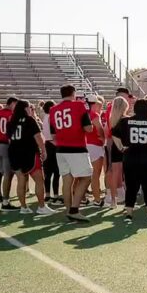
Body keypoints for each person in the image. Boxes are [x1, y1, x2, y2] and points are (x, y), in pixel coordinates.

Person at [111, 98, 147, 223]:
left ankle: (129, 214)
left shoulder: (125, 121)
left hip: (130, 158)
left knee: (131, 187)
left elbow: (114, 134)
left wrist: (121, 147)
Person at [49, 84, 93, 222]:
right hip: (76, 148)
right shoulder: (78, 106)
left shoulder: (53, 109)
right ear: (73, 93)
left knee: (67, 180)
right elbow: (89, 128)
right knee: (86, 178)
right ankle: (74, 209)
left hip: (60, 149)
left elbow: (53, 134)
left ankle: (68, 210)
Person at [7, 99, 56, 215]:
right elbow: (38, 137)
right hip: (29, 153)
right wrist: (43, 150)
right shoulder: (29, 120)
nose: (31, 109)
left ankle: (23, 207)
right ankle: (41, 206)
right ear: (25, 108)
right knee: (39, 180)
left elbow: (9, 139)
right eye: (29, 107)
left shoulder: (11, 121)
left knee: (21, 180)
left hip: (14, 153)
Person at [105, 88, 134, 207]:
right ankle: (127, 200)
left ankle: (113, 200)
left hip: (115, 148)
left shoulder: (112, 119)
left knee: (114, 173)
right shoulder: (127, 119)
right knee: (126, 175)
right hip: (125, 149)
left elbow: (111, 133)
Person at [85, 95, 106, 206]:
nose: (100, 105)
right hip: (95, 145)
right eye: (98, 103)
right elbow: (100, 129)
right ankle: (97, 199)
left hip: (86, 145)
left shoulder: (83, 114)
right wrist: (103, 139)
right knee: (95, 175)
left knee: (84, 175)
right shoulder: (94, 115)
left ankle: (82, 197)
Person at [40, 100, 61, 204]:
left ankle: (47, 194)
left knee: (48, 172)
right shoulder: (51, 117)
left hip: (47, 144)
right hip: (53, 144)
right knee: (56, 172)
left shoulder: (45, 117)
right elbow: (54, 133)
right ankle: (56, 195)